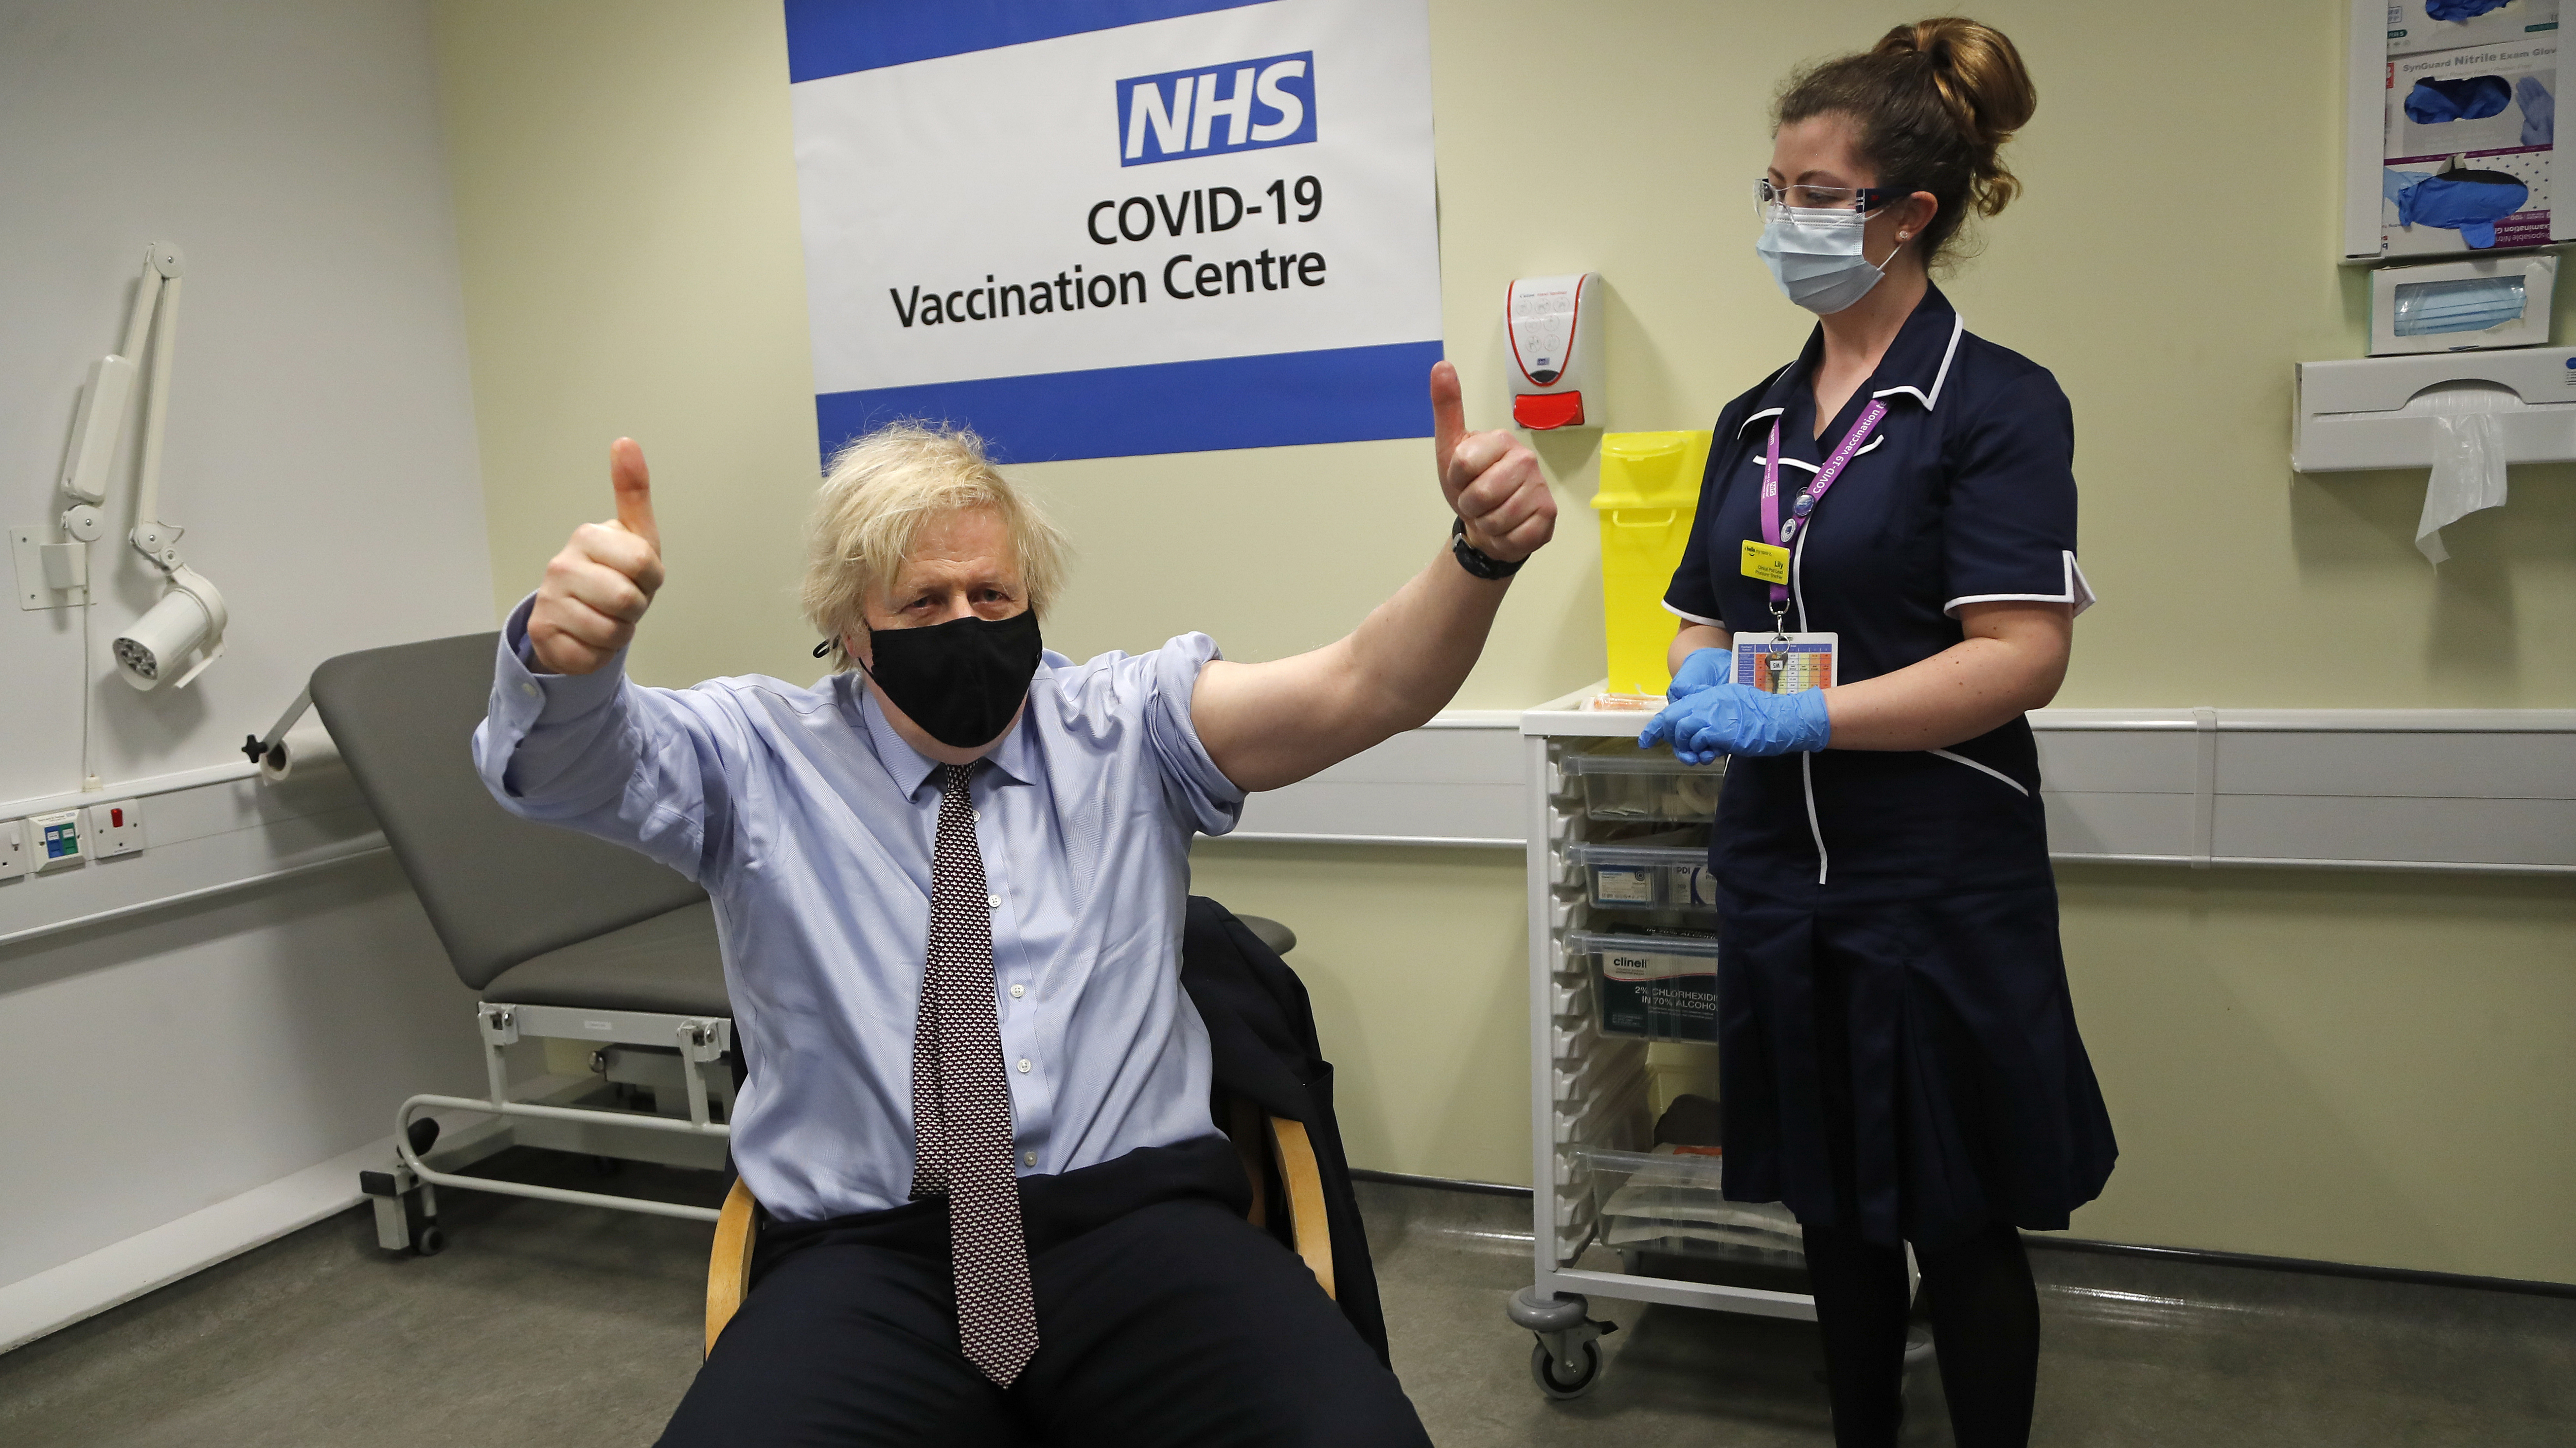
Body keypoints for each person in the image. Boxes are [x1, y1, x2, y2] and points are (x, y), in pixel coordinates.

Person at [473, 364, 1554, 1448]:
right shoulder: (756, 760)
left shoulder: (1124, 727)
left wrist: (1480, 555)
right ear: (850, 626)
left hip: (1141, 1227)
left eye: (993, 597)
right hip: (869, 1253)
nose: (965, 625)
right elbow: (562, 773)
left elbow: (1370, 683)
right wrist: (567, 664)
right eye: (922, 603)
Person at [1636, 18, 2117, 1448]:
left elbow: (2019, 657)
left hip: (1933, 883)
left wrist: (1799, 717)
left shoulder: (1995, 403)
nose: (1781, 216)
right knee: (1833, 1211)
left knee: (1956, 1216)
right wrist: (1691, 683)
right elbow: (1702, 611)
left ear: (1906, 215)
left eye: (1812, 193)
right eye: (1773, 186)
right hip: (1784, 879)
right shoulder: (1753, 420)